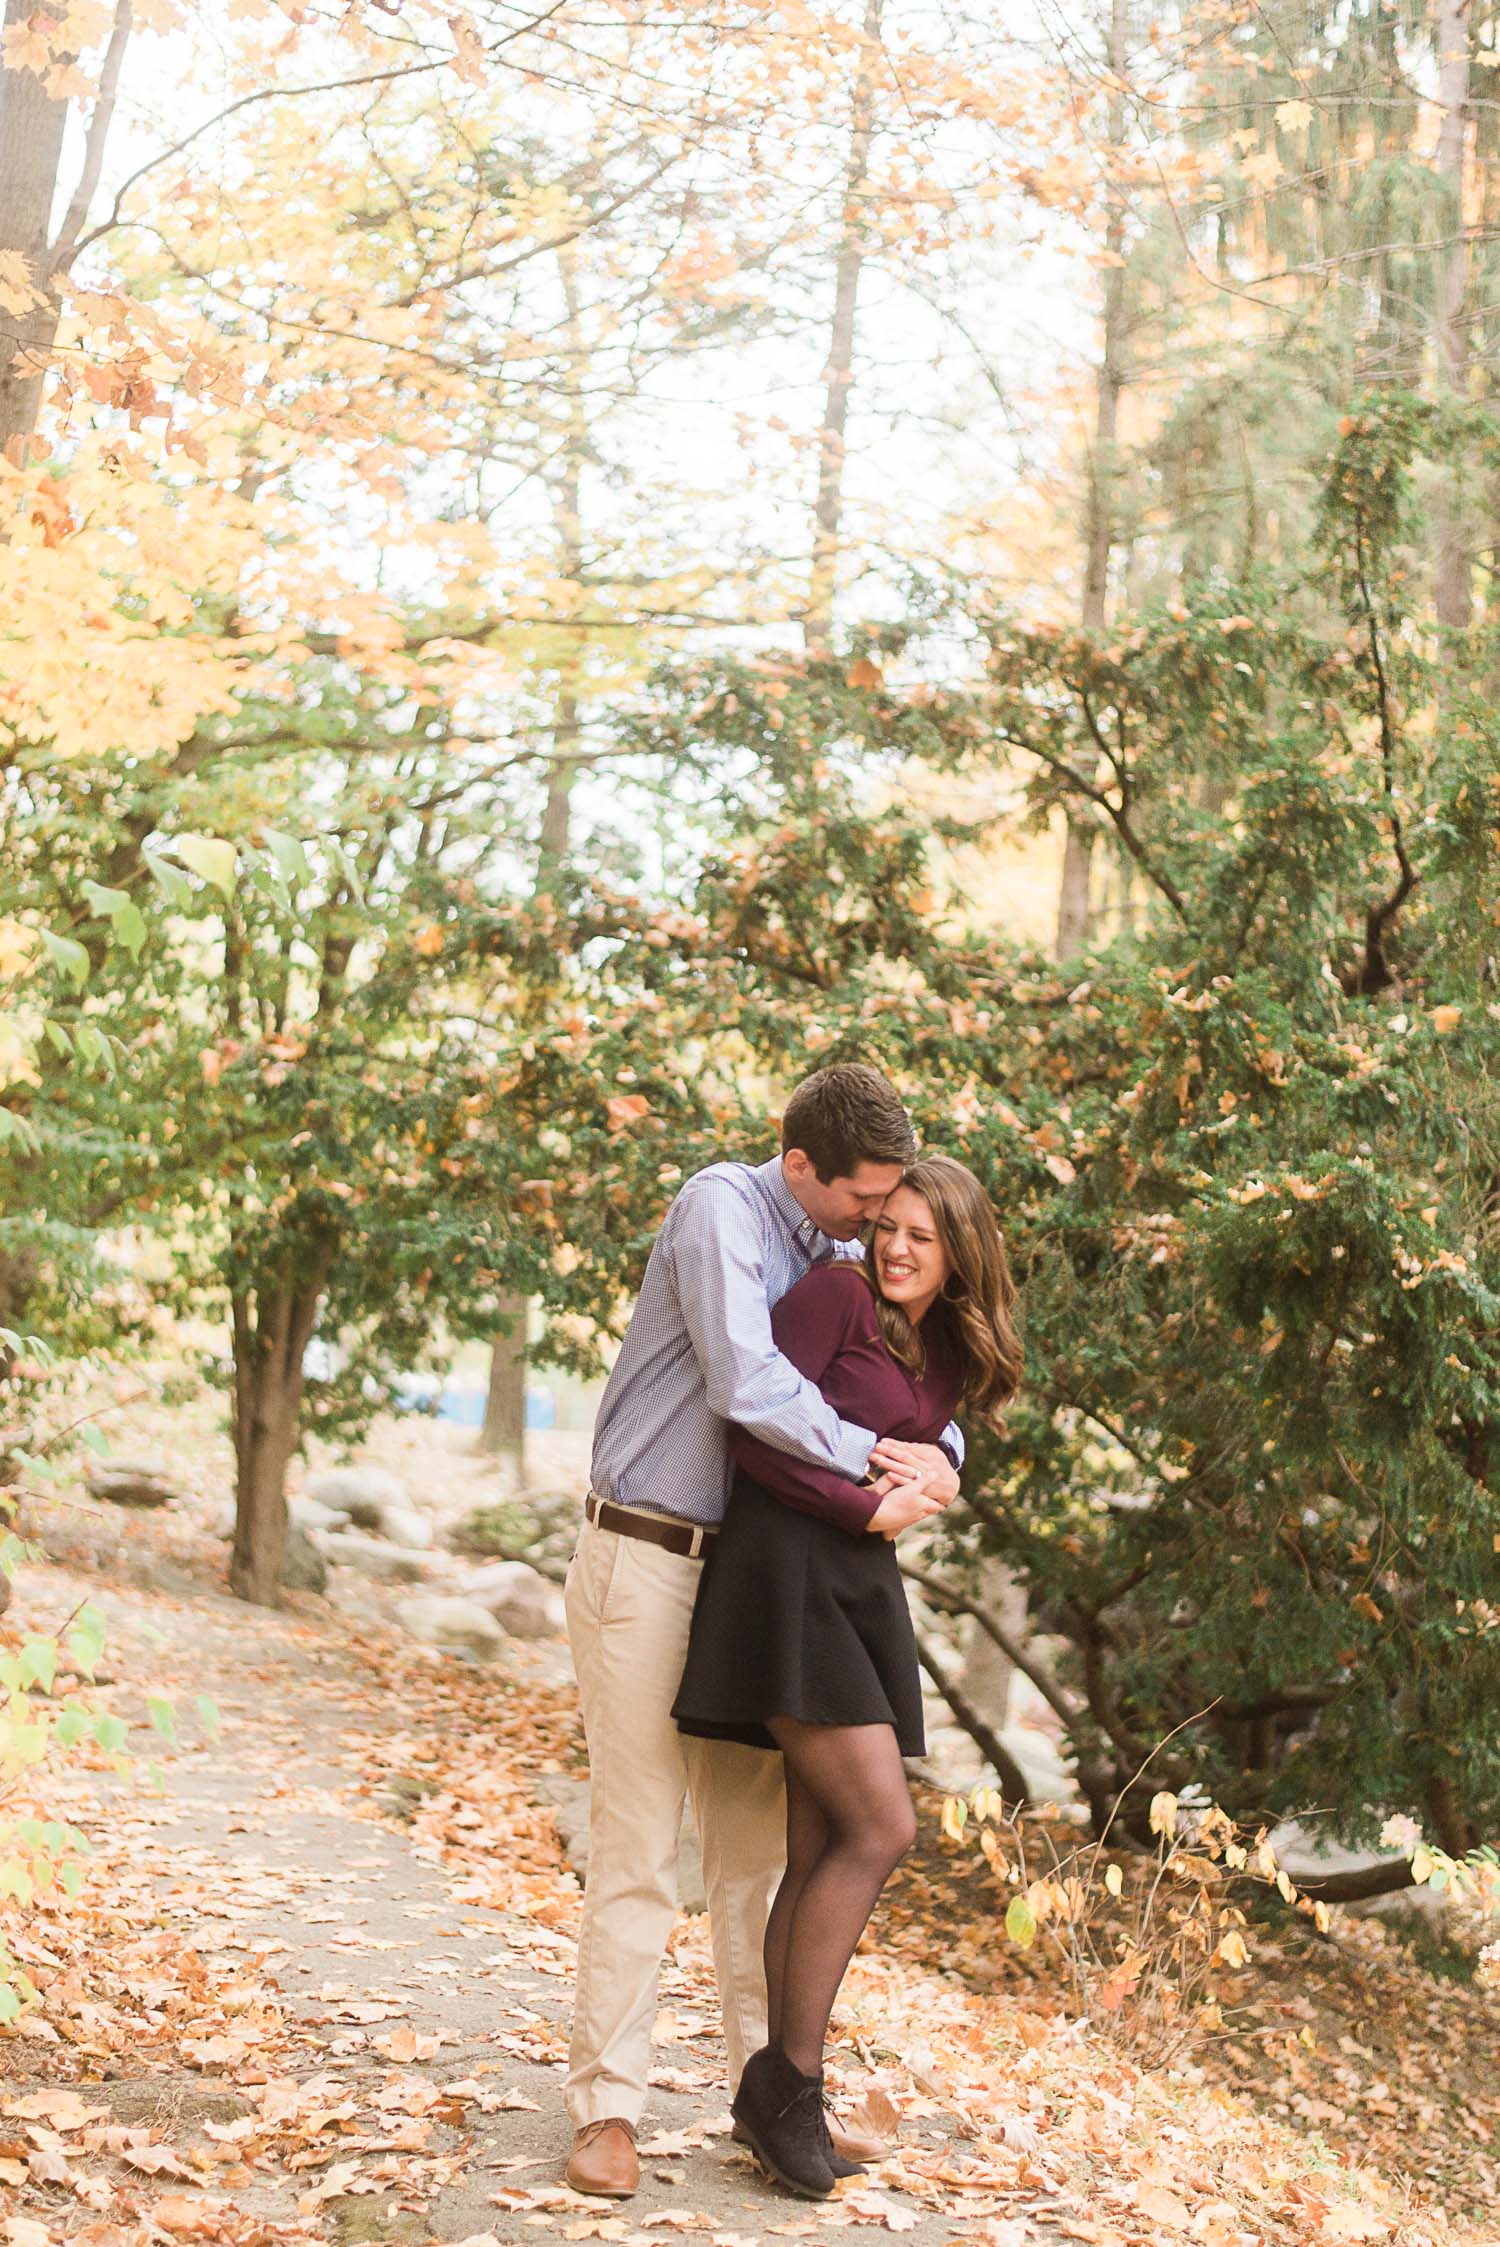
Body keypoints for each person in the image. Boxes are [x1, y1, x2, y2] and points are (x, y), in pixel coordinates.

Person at [563, 1065, 963, 2200]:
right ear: (803, 1167)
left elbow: (902, 1380)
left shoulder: (831, 1254)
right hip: (648, 1554)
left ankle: (771, 2099)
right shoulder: (722, 1212)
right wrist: (875, 1468)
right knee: (641, 1849)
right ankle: (607, 2111)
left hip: (742, 1588)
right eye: (864, 1202)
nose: (876, 1223)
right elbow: (749, 1382)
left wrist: (940, 1460)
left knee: (759, 1861)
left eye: (891, 1208)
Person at [672, 1154, 1023, 2200]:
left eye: (923, 1233)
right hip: (787, 1570)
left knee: (823, 1837)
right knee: (884, 1826)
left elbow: (927, 1443)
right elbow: (754, 1433)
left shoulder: (949, 1348)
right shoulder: (833, 1293)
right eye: (891, 1226)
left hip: (859, 1584)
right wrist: (860, 1501)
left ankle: (782, 2092)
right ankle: (789, 2081)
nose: (898, 1246)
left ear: (960, 1249)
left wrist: (945, 1470)